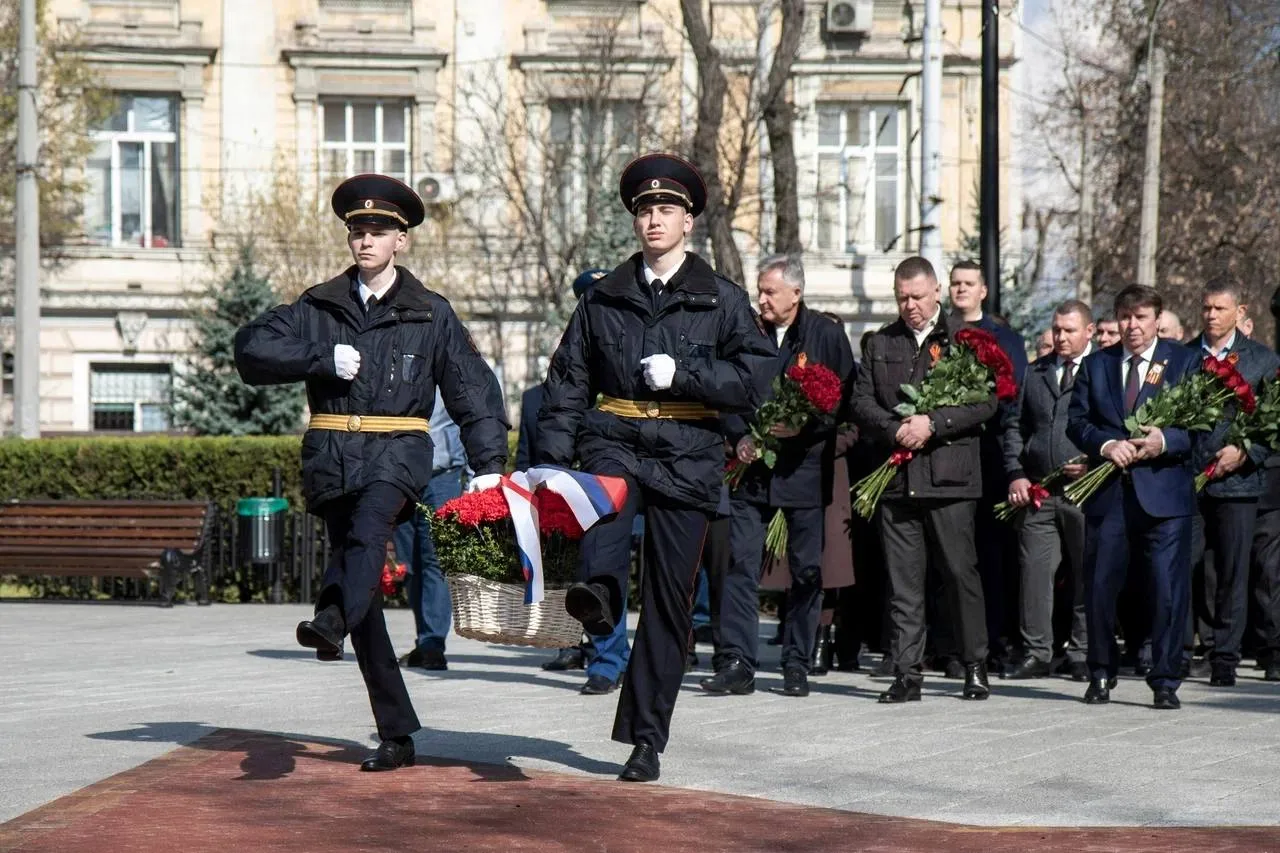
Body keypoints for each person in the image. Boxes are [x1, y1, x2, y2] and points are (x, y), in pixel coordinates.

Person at [234, 173, 509, 771]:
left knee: (368, 535)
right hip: (333, 456)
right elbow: (250, 351)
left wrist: (489, 467)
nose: (366, 239)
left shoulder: (429, 313)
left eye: (378, 230)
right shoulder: (318, 306)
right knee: (366, 597)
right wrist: (319, 356)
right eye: (358, 229)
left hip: (398, 453)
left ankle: (330, 614)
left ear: (401, 241)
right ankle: (397, 729)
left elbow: (474, 393)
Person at [536, 152, 774, 783]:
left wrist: (689, 375)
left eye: (666, 209)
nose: (654, 220)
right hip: (615, 438)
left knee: (669, 604)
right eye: (644, 210)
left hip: (690, 454)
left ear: (689, 221)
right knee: (605, 520)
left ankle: (646, 737)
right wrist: (551, 465)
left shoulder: (721, 298)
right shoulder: (604, 299)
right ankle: (600, 601)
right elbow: (567, 383)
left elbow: (757, 379)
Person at [707, 254, 855, 699]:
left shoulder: (826, 335)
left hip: (805, 470)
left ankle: (797, 662)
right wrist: (739, 437)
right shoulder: (745, 332)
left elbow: (843, 401)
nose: (762, 299)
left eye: (770, 291)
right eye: (760, 290)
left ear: (796, 292)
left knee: (807, 569)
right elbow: (725, 391)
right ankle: (738, 663)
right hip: (753, 471)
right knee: (740, 565)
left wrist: (806, 427)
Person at [850, 256, 996, 703]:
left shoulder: (966, 340)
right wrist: (894, 429)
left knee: (959, 574)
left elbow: (986, 402)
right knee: (903, 581)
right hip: (897, 480)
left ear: (937, 292)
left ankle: (974, 665)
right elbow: (861, 399)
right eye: (902, 298)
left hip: (949, 478)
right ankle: (907, 672)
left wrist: (934, 422)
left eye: (916, 296)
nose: (910, 305)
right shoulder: (881, 343)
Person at [1066, 284, 1199, 710]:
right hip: (1111, 494)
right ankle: (1101, 673)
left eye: (1140, 317)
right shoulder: (1099, 363)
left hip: (1164, 495)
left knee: (1166, 590)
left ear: (1157, 319)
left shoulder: (1183, 361)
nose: (1132, 325)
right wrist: (1105, 445)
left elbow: (1203, 428)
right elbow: (1078, 421)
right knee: (1102, 588)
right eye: (1124, 316)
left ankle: (1164, 679)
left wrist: (1166, 440)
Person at [531, 269, 634, 695]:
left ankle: (610, 659)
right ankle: (580, 644)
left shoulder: (627, 351)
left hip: (615, 471)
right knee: (576, 568)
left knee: (605, 564)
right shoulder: (576, 349)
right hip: (572, 478)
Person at [1186, 277, 1278, 686]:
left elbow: (1273, 419)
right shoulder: (1184, 356)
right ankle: (1201, 646)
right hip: (1191, 481)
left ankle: (1226, 655)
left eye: (1219, 308)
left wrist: (1245, 451)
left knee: (1232, 571)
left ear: (1239, 312)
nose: (1211, 315)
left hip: (1240, 484)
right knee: (1195, 568)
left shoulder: (1262, 360)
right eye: (1206, 307)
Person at [1002, 300, 1095, 681]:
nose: (1061, 337)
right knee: (1035, 573)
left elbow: (1115, 427)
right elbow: (1015, 428)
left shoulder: (1102, 370)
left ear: (1089, 332)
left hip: (1085, 490)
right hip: (1039, 490)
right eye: (1057, 329)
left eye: (1070, 330)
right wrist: (1016, 473)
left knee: (1086, 573)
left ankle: (1083, 651)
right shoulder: (1036, 372)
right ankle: (1037, 651)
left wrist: (1094, 460)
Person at [947, 260, 1029, 672]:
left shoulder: (1005, 338)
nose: (961, 290)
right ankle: (952, 644)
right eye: (955, 284)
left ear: (983, 290)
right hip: (946, 453)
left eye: (968, 284)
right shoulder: (942, 334)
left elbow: (1013, 395)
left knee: (992, 553)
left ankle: (995, 640)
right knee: (952, 553)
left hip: (991, 452)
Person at [393, 389, 467, 671]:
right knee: (409, 563)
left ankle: (433, 644)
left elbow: (469, 420)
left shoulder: (446, 366)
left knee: (435, 562)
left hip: (442, 476)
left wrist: (473, 476)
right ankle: (424, 640)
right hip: (401, 475)